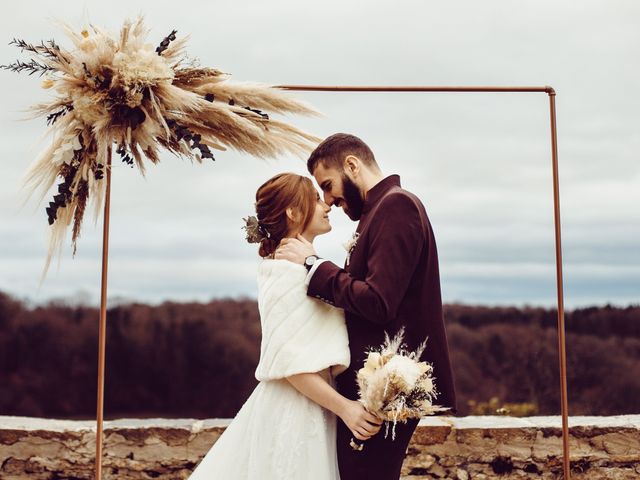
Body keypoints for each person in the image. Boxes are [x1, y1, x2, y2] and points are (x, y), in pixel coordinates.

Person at [275, 134, 458, 480]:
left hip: (388, 388)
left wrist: (315, 266)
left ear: (352, 166)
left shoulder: (396, 206)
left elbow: (378, 302)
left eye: (328, 186)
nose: (329, 199)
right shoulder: (379, 211)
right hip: (376, 389)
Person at [189, 172, 383, 480]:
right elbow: (291, 365)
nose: (327, 205)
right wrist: (346, 409)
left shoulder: (303, 268)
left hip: (313, 407)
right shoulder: (284, 274)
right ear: (293, 212)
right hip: (294, 412)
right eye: (317, 199)